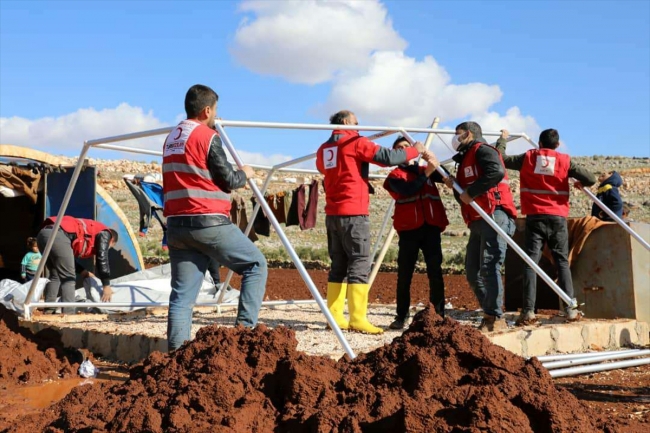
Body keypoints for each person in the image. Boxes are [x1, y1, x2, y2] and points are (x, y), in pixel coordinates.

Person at [163, 84, 267, 351]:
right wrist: (246, 173)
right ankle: (244, 338)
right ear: (207, 110)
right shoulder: (207, 136)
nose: (216, 117)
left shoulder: (172, 138)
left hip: (176, 226)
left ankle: (176, 359)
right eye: (216, 111)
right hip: (208, 222)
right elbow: (229, 179)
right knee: (255, 265)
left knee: (182, 298)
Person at [316, 110, 426, 334]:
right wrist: (416, 150)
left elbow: (322, 170)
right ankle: (358, 318)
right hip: (354, 213)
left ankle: (335, 318)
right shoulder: (355, 141)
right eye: (356, 123)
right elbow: (387, 158)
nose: (359, 127)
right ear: (346, 122)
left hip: (332, 214)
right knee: (359, 262)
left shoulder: (323, 149)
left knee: (338, 265)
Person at [496, 128, 596, 324]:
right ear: (557, 145)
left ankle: (528, 311)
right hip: (558, 218)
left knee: (531, 263)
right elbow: (591, 178)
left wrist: (503, 139)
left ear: (540, 143)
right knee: (562, 263)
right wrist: (581, 184)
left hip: (535, 217)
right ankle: (570, 309)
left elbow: (502, 159)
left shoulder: (528, 157)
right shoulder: (565, 161)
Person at [443, 121, 517, 332]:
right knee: (472, 270)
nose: (454, 139)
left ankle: (495, 318)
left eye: (457, 134)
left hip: (494, 214)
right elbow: (465, 198)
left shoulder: (483, 151)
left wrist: (471, 191)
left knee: (489, 266)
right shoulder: (465, 157)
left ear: (468, 134)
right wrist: (457, 189)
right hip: (478, 219)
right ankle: (490, 313)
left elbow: (496, 172)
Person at [383, 136, 449, 329]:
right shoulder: (394, 176)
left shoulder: (426, 170)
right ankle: (401, 316)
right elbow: (408, 189)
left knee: (435, 273)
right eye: (399, 148)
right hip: (409, 231)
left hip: (431, 228)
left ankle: (438, 316)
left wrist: (432, 160)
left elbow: (446, 176)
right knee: (405, 275)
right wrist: (427, 173)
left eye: (406, 146)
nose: (403, 149)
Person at [36, 216, 117, 314]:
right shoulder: (106, 233)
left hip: (43, 234)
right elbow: (102, 258)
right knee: (69, 278)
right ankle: (68, 313)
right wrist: (106, 286)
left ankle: (49, 311)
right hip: (57, 234)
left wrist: (84, 271)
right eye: (110, 247)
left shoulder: (95, 231)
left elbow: (64, 261)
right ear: (112, 240)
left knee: (55, 274)